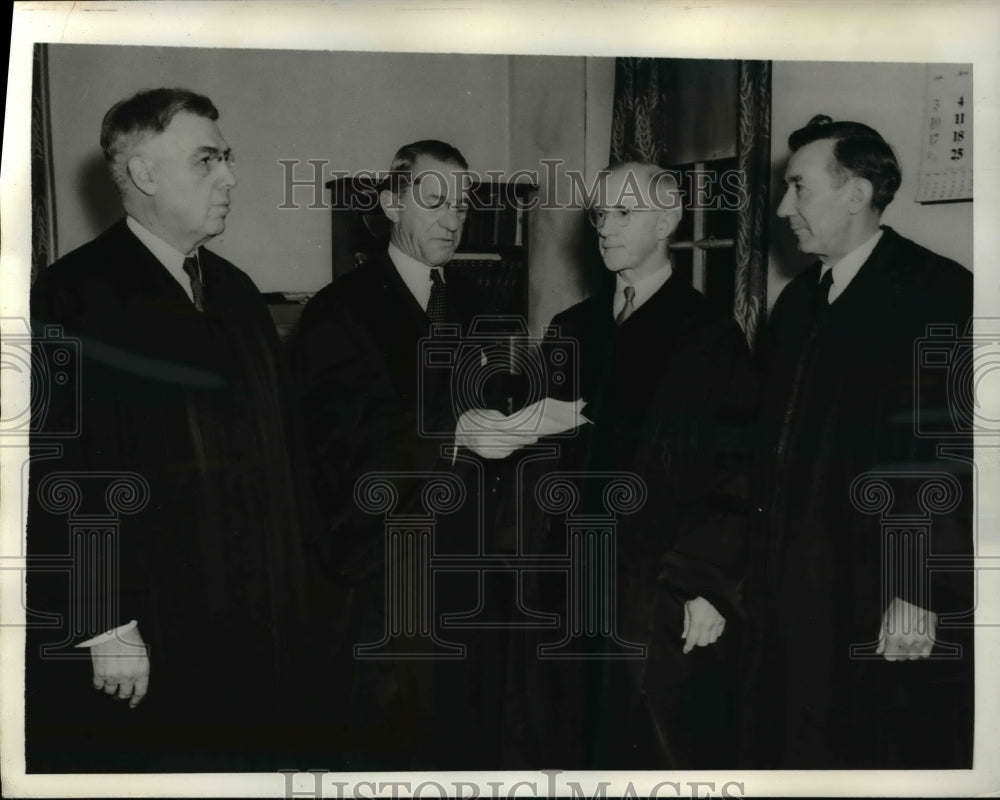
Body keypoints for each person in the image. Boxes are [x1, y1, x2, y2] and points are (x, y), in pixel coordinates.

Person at [27, 88, 312, 772]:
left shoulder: (239, 294)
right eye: (207, 159)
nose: (230, 177)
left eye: (228, 157)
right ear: (144, 174)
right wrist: (102, 619)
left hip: (253, 615)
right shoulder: (73, 294)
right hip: (150, 626)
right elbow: (58, 469)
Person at [291, 140, 534, 769]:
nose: (454, 218)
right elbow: (334, 442)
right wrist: (452, 436)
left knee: (470, 741)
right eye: (434, 200)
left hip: (474, 569)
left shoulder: (481, 306)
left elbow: (501, 412)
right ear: (390, 202)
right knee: (397, 745)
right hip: (390, 570)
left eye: (461, 203)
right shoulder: (339, 312)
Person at [740, 115, 974, 768]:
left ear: (856, 192)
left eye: (798, 188)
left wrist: (917, 586)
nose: (785, 209)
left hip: (881, 597)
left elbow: (950, 456)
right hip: (793, 591)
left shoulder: (940, 294)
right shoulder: (797, 304)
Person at [520, 161, 758, 768]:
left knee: (648, 746)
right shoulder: (573, 329)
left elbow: (733, 469)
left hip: (653, 584)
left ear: (667, 221)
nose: (605, 227)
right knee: (567, 736)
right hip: (570, 579)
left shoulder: (707, 334)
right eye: (600, 213)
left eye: (623, 212)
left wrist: (706, 585)